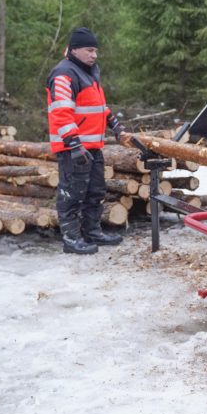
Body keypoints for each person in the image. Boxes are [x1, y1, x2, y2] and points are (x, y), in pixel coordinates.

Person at [46, 27, 127, 254]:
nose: (94, 55)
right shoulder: (64, 74)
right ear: (74, 50)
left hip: (92, 146)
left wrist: (115, 124)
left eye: (96, 51)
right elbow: (61, 112)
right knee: (72, 194)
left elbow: (98, 105)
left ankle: (92, 231)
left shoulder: (88, 71)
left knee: (95, 192)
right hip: (73, 147)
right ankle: (71, 239)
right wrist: (73, 144)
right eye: (90, 50)